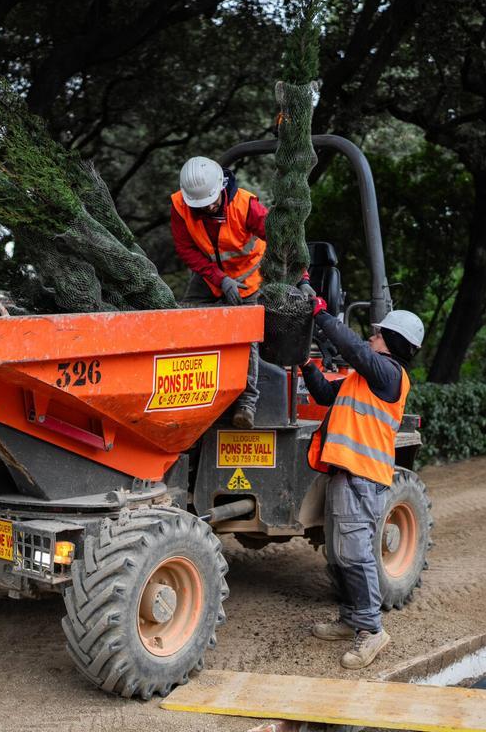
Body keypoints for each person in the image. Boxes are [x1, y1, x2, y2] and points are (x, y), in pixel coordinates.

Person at [299, 300, 424, 669]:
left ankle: (372, 630)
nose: (371, 337)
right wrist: (306, 366)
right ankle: (352, 618)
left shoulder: (388, 374)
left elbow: (352, 348)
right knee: (339, 554)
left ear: (392, 343)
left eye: (377, 333)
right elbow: (324, 394)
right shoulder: (363, 380)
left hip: (362, 476)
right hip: (345, 473)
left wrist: (320, 314)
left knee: (355, 555)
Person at [171, 155, 314, 428]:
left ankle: (246, 404)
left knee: (245, 334)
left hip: (250, 277)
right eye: (200, 206)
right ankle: (187, 396)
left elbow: (284, 242)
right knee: (184, 322)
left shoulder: (246, 207)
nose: (207, 208)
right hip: (210, 275)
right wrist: (219, 279)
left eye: (210, 202)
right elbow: (186, 249)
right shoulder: (181, 206)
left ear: (220, 190)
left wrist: (301, 278)